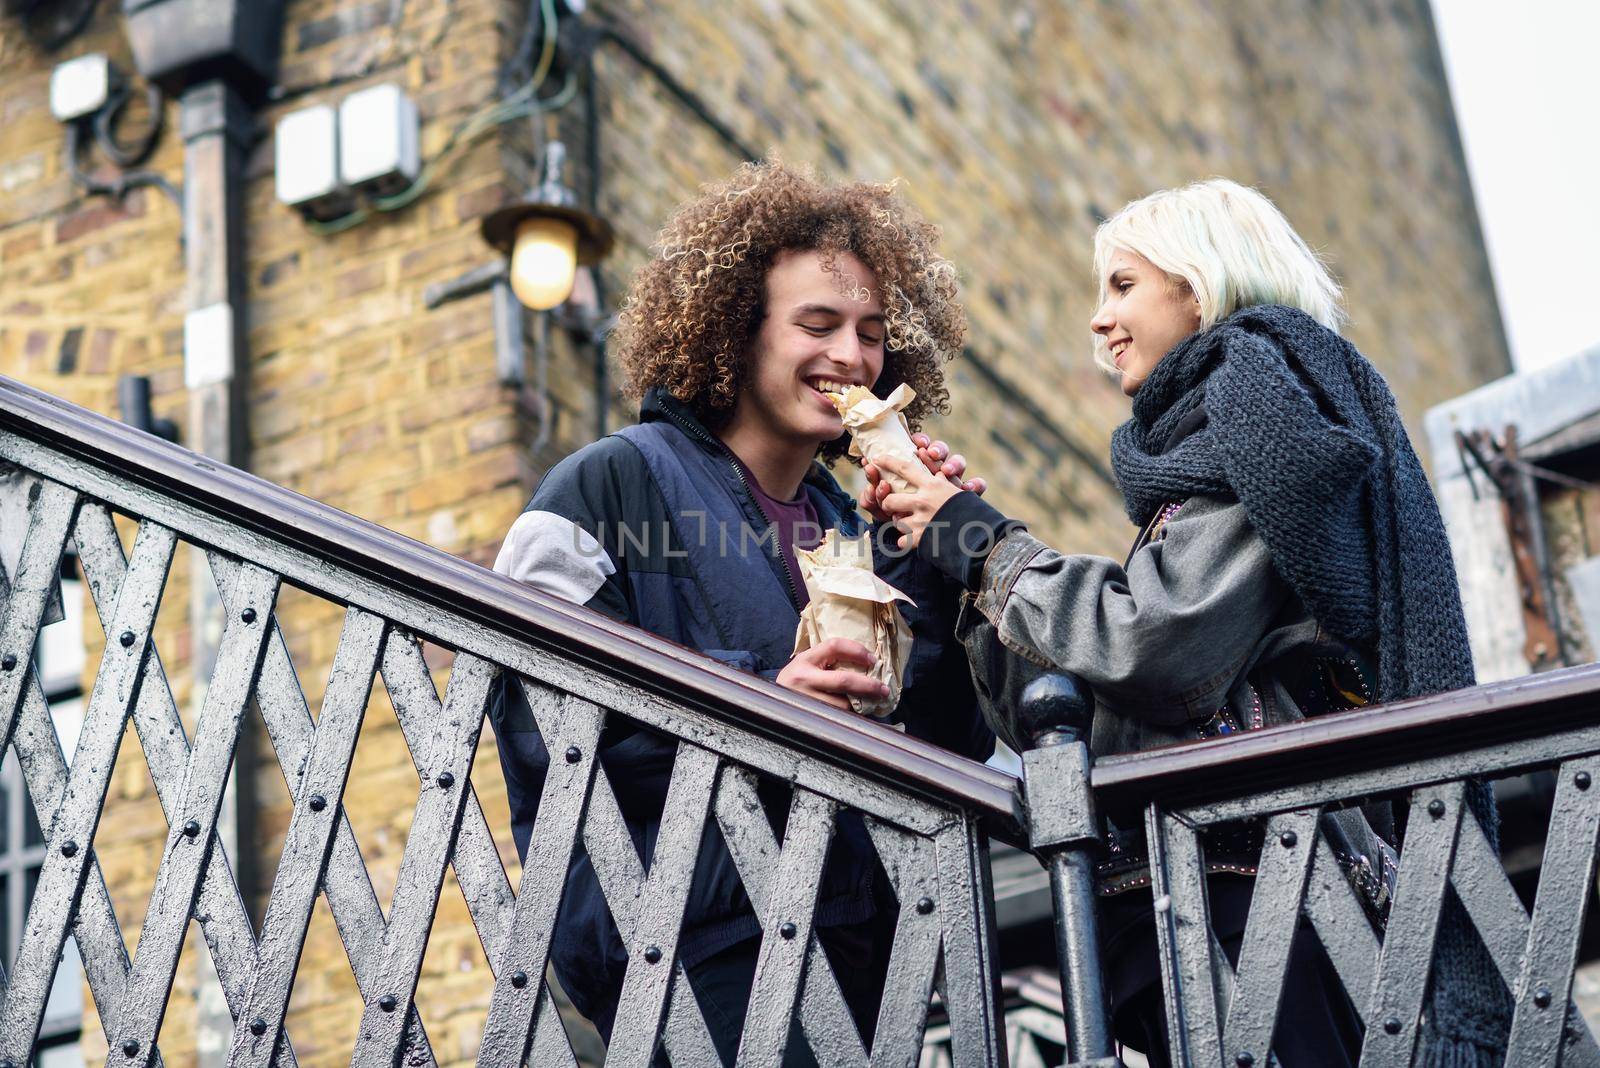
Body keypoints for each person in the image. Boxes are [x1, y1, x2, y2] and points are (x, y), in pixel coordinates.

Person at [870, 178, 1509, 1066]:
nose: (1099, 320)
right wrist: (956, 558)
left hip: (1263, 889)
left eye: (1123, 285)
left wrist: (983, 543)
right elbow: (1066, 708)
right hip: (1208, 886)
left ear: (1200, 287)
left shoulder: (1258, 400)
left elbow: (1160, 649)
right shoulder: (1213, 449)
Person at [488, 158, 994, 1065]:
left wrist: (939, 558)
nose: (852, 356)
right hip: (687, 938)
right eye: (817, 324)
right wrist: (768, 707)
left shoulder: (855, 522)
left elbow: (945, 743)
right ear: (736, 331)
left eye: (873, 332)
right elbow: (545, 722)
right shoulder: (606, 483)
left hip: (862, 947)